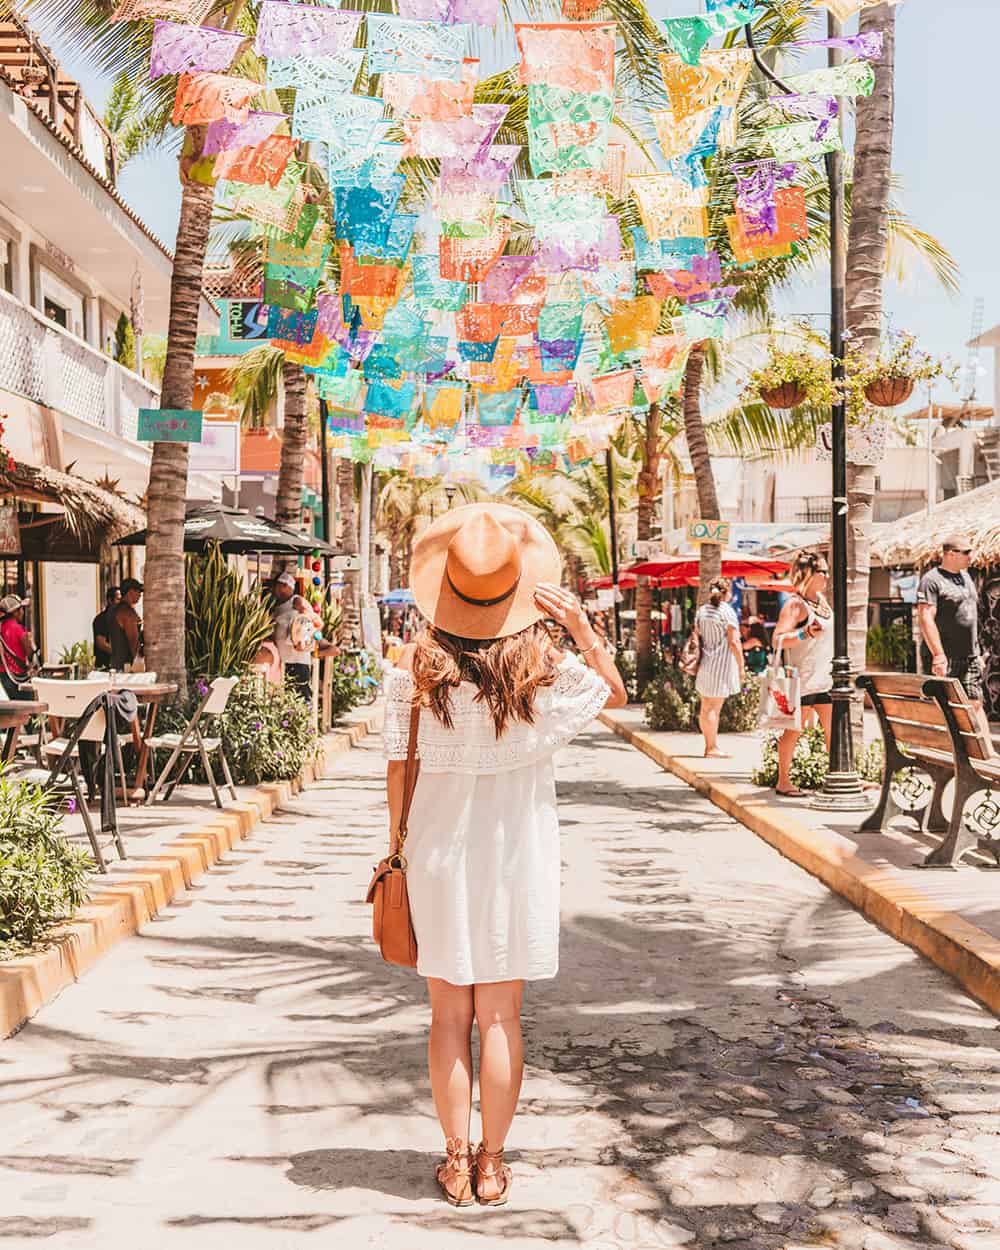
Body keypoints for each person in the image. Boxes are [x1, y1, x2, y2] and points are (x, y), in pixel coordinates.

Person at [382, 503, 626, 1208]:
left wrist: (395, 848)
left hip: (436, 858)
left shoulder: (413, 674)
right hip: (516, 858)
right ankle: (493, 1164)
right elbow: (614, 693)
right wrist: (580, 627)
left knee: (447, 1017)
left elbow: (399, 772)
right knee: (500, 1019)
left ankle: (454, 1162)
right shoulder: (543, 677)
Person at [771, 553, 834, 797]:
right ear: (809, 573)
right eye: (823, 571)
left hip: (825, 678)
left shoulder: (822, 601)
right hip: (803, 681)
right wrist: (804, 634)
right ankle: (783, 781)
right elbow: (776, 639)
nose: (827, 576)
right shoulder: (795, 605)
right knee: (794, 731)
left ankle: (837, 777)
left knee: (833, 732)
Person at [917, 533, 984, 725]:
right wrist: (938, 655)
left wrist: (976, 650)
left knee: (975, 703)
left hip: (969, 655)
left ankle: (983, 753)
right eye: (966, 552)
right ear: (950, 554)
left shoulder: (966, 577)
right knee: (943, 706)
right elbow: (926, 617)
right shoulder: (932, 580)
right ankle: (944, 749)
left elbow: (970, 615)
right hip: (946, 656)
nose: (971, 556)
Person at [693, 577, 744, 758]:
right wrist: (741, 666)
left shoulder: (702, 611)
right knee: (714, 707)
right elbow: (734, 641)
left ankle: (709, 746)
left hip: (705, 662)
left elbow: (697, 634)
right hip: (721, 664)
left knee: (706, 707)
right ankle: (712, 748)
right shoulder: (727, 612)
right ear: (727, 592)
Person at [270, 571, 338, 703]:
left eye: (278, 586)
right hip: (283, 662)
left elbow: (314, 620)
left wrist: (302, 640)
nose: (275, 590)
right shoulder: (278, 606)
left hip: (298, 661)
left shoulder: (296, 600)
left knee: (301, 698)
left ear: (286, 586)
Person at [0, 594, 37, 700]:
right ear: (15, 612)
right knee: (26, 709)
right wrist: (31, 643)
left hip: (3, 676)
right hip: (19, 677)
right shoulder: (18, 629)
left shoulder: (1, 629)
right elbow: (29, 653)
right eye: (21, 609)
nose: (22, 612)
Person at [109, 578, 144, 671]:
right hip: (125, 666)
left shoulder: (117, 609)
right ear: (130, 591)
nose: (140, 594)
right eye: (138, 591)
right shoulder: (126, 612)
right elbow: (134, 642)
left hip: (117, 663)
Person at [92, 585, 121, 670]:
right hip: (104, 668)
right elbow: (101, 644)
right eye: (118, 599)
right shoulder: (101, 619)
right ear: (110, 600)